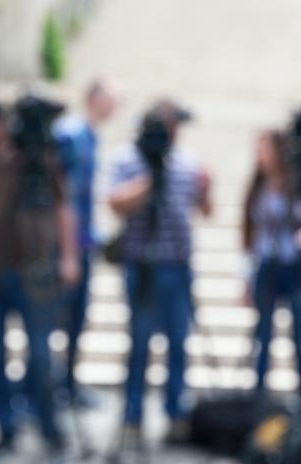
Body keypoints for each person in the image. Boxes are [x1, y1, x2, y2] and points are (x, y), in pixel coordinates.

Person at [0, 97, 80, 460]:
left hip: (31, 267)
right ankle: (6, 429)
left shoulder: (36, 162)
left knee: (40, 351)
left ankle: (47, 423)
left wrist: (68, 257)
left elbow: (61, 206)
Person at [107, 100, 211, 443]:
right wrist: (150, 178)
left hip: (178, 265)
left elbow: (204, 210)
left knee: (178, 343)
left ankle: (175, 414)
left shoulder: (187, 162)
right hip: (141, 266)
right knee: (139, 343)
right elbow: (115, 203)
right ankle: (132, 417)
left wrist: (207, 189)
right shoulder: (128, 158)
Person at [242, 129, 301, 407]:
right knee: (263, 337)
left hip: (296, 268)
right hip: (266, 267)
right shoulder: (258, 185)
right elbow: (247, 235)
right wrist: (244, 277)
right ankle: (257, 401)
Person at [52, 81, 116, 405]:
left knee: (77, 319)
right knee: (59, 319)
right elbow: (66, 196)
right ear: (94, 98)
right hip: (67, 245)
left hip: (83, 242)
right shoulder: (72, 134)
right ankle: (53, 386)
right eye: (110, 98)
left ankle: (67, 382)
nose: (115, 105)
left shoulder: (90, 135)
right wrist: (70, 249)